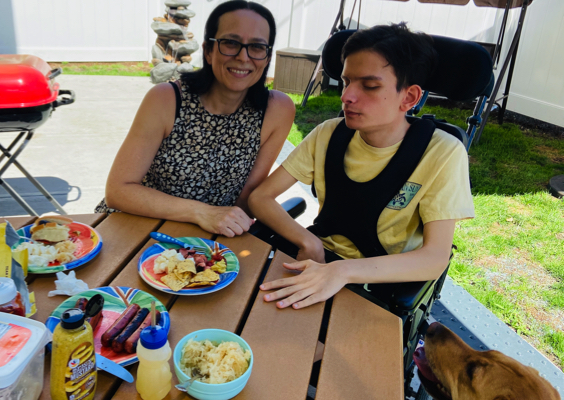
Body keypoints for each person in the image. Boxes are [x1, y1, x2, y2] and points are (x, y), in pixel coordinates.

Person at [248, 23, 474, 309]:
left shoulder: (441, 153)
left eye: (369, 85)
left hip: (380, 287)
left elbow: (434, 259)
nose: (347, 96)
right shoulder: (329, 133)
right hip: (317, 264)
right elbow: (260, 197)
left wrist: (342, 272)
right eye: (346, 82)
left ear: (409, 98)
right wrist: (309, 242)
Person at [95, 1, 295, 238]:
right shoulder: (167, 99)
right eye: (230, 43)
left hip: (204, 243)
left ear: (267, 56)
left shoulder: (277, 110)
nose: (243, 57)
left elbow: (247, 197)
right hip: (134, 229)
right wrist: (202, 213)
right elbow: (119, 190)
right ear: (209, 51)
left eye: (257, 47)